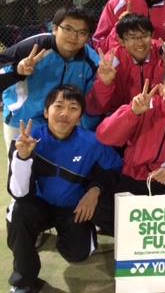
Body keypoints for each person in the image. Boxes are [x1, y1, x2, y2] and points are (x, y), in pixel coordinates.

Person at [7, 85, 122, 293]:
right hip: (37, 205)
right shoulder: (27, 140)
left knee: (78, 254)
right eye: (58, 106)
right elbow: (19, 192)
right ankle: (23, 282)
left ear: (79, 117)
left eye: (73, 108)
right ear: (46, 112)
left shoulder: (92, 142)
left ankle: (71, 235)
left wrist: (95, 189)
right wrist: (23, 157)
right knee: (19, 212)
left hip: (73, 208)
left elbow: (114, 169)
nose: (64, 113)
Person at [92, 64, 165, 235]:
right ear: (161, 89)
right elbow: (104, 136)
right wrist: (132, 112)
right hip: (132, 175)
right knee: (99, 211)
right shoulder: (144, 105)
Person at [1, 6, 100, 152]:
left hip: (64, 126)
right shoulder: (35, 46)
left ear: (88, 37)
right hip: (22, 121)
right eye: (68, 29)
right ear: (54, 28)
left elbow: (92, 102)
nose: (73, 36)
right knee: (19, 163)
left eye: (82, 32)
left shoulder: (92, 61)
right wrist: (18, 71)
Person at [86, 14, 164, 116]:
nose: (140, 42)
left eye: (144, 36)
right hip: (121, 115)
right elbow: (94, 109)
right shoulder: (111, 62)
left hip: (154, 114)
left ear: (152, 35)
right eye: (132, 37)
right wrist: (104, 83)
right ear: (121, 41)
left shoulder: (164, 52)